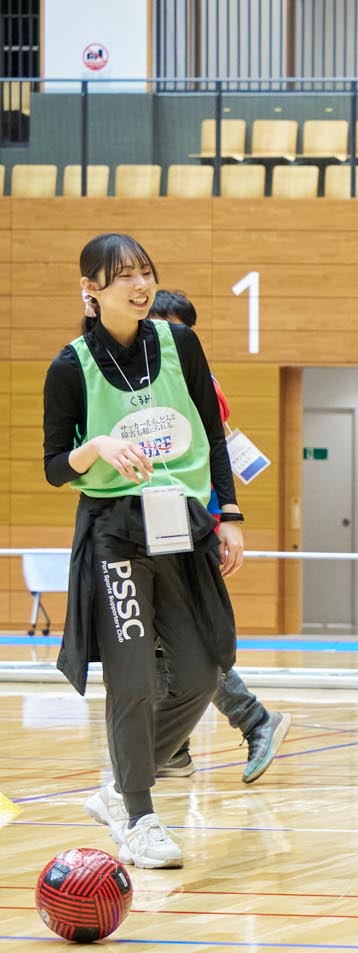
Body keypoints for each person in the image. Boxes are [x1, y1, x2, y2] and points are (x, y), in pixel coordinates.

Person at [43, 234, 242, 869]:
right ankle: (140, 814)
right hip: (113, 530)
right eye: (122, 275)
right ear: (90, 291)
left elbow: (211, 430)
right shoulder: (69, 367)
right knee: (131, 676)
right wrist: (97, 445)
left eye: (145, 272)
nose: (139, 284)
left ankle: (121, 785)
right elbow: (53, 465)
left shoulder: (180, 343)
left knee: (201, 668)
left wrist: (229, 513)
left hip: (180, 522)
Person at [145, 288, 292, 785]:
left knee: (183, 635)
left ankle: (252, 720)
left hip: (186, 523)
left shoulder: (197, 380)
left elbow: (215, 452)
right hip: (151, 520)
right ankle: (176, 747)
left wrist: (226, 516)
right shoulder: (144, 375)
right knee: (161, 638)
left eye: (177, 327)